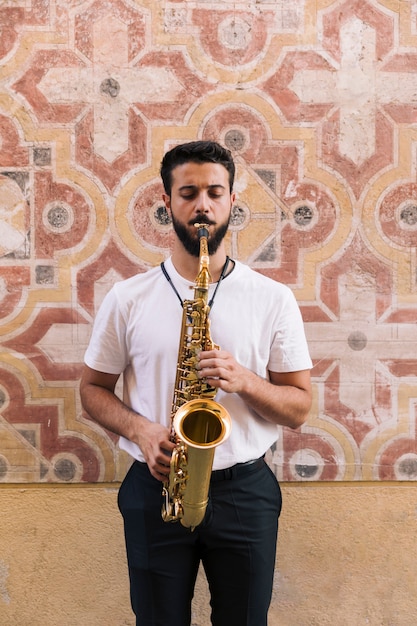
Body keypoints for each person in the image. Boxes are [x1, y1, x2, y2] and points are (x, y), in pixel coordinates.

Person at [80, 140, 312, 626]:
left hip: (243, 491)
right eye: (188, 193)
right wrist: (143, 432)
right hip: (155, 484)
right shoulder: (128, 298)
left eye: (214, 192)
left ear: (232, 201)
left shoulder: (272, 298)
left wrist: (245, 381)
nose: (202, 205)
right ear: (166, 204)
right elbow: (92, 390)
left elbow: (298, 406)